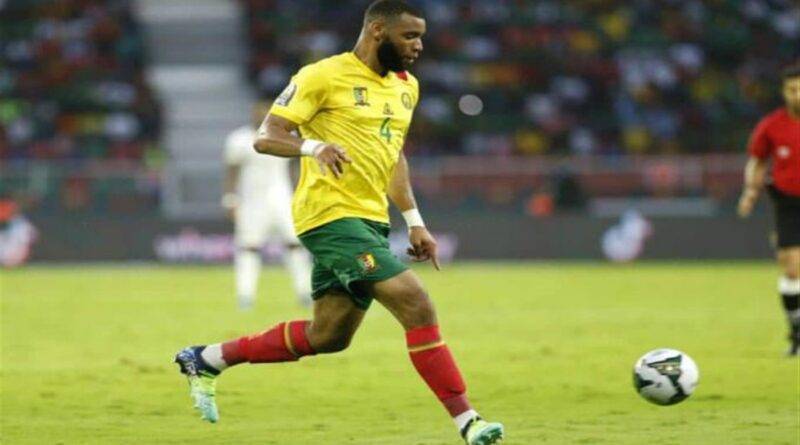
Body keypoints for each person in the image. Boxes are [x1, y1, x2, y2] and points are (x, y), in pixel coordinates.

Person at [174, 1, 505, 443]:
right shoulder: (323, 75)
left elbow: (393, 157)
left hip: (371, 220)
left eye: (421, 37)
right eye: (409, 36)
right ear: (377, 30)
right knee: (416, 302)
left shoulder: (406, 88)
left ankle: (207, 359)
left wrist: (414, 220)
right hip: (328, 216)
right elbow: (266, 137)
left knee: (329, 335)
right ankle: (469, 420)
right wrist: (314, 147)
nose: (419, 46)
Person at [222, 101, 313, 309]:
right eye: (258, 113)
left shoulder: (285, 136)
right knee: (248, 248)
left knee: (295, 244)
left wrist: (301, 195)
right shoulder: (239, 139)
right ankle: (245, 296)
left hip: (282, 198)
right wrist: (230, 199)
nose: (261, 116)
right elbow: (232, 171)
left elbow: (294, 168)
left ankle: (304, 292)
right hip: (251, 201)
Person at [737, 61, 800, 356]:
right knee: (791, 266)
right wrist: (750, 192)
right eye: (792, 90)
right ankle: (796, 332)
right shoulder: (772, 125)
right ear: (784, 92)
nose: (797, 95)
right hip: (788, 201)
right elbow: (758, 161)